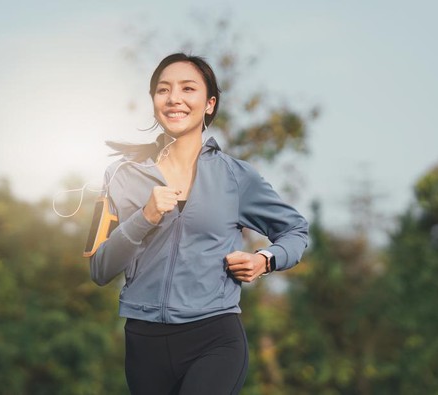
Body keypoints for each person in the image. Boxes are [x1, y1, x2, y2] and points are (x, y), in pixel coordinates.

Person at [89, 53, 309, 395]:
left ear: (209, 104)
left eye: (187, 89)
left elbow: (295, 230)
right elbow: (100, 268)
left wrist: (264, 260)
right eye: (163, 90)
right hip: (143, 342)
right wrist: (144, 218)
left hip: (214, 337)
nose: (174, 98)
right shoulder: (120, 176)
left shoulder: (236, 177)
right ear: (154, 103)